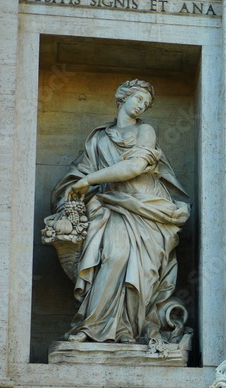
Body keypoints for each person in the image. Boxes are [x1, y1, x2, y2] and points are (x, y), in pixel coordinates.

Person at [45, 79, 190, 344]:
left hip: (147, 208)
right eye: (138, 99)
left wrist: (88, 181)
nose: (141, 106)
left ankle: (128, 330)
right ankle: (92, 328)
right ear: (122, 97)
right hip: (110, 204)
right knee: (113, 255)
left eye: (146, 103)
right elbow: (78, 174)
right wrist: (76, 189)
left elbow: (134, 167)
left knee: (142, 270)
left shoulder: (146, 131)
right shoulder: (98, 138)